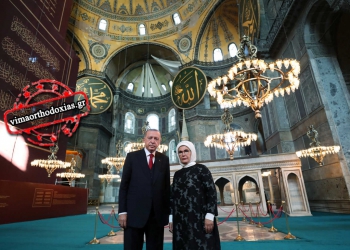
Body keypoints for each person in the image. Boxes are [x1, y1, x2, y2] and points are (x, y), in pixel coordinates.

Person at [118, 129, 170, 250]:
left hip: (156, 216)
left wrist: (168, 214)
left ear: (160, 142)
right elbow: (124, 186)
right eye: (150, 138)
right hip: (134, 214)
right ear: (144, 140)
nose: (153, 141)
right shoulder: (132, 157)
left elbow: (166, 189)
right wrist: (122, 212)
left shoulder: (164, 160)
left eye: (156, 139)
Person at [169, 141, 221, 250]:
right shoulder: (177, 174)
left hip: (200, 219)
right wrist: (171, 218)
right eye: (180, 152)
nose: (183, 154)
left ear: (192, 152)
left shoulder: (202, 169)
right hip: (181, 222)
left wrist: (210, 216)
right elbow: (173, 197)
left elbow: (211, 193)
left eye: (186, 151)